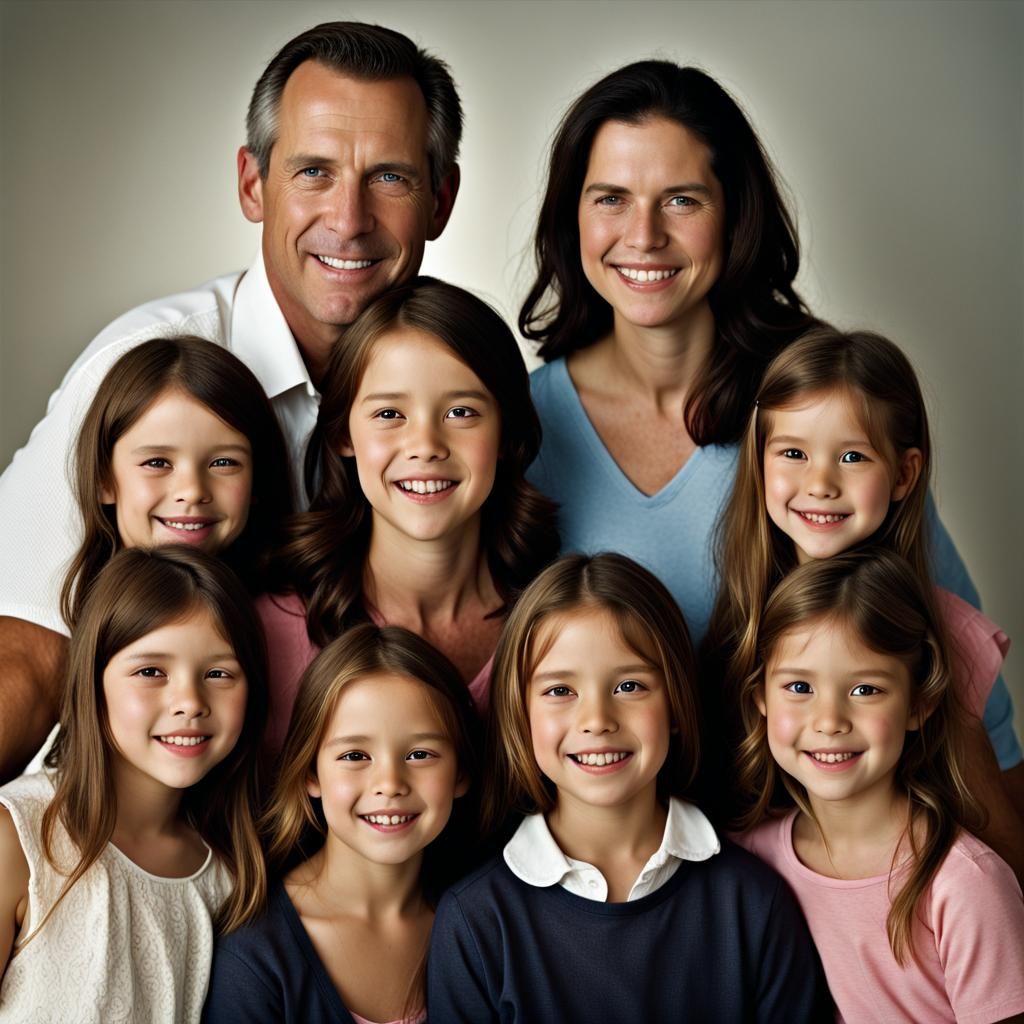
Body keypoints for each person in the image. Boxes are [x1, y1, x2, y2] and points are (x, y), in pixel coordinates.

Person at [518, 59, 1022, 776]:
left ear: (736, 214)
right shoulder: (518, 429)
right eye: (611, 198)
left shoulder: (819, 412)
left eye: (682, 200)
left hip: (811, 844)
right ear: (572, 216)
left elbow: (971, 701)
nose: (644, 234)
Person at [0, 21, 463, 779]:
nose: (348, 220)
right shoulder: (146, 369)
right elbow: (25, 652)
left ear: (439, 200)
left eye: (389, 177)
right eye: (313, 172)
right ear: (253, 184)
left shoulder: (454, 385)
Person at [426, 553, 831, 1022]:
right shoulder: (475, 921)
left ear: (677, 703)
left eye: (630, 686)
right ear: (520, 713)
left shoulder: (752, 903)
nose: (597, 720)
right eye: (560, 691)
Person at [703, 327, 1024, 876]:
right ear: (760, 464)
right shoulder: (744, 628)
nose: (821, 483)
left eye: (852, 456)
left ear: (903, 474)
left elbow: (1005, 855)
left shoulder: (940, 636)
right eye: (794, 453)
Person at [258, 276, 558, 754]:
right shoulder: (273, 634)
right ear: (343, 436)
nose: (425, 447)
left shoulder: (555, 630)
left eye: (461, 413)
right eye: (389, 414)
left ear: (507, 434)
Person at [734, 552, 1024, 1024]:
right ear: (760, 699)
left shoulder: (965, 885)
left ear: (918, 704)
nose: (829, 721)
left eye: (865, 690)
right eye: (799, 688)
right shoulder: (746, 863)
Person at [0, 546, 268, 1024]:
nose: (189, 701)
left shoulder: (231, 874)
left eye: (218, 673)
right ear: (94, 682)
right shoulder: (17, 836)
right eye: (151, 672)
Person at [203, 624, 479, 1024]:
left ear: (460, 773)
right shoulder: (255, 954)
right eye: (354, 756)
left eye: (419, 754)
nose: (389, 784)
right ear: (310, 774)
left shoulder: (483, 923)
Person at [61, 336, 292, 627]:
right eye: (157, 463)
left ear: (257, 479)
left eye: (223, 463)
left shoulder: (289, 624)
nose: (192, 492)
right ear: (103, 480)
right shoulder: (73, 627)